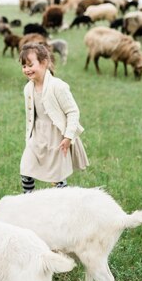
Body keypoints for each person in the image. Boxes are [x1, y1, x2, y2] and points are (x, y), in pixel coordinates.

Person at [19, 43, 89, 192]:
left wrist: (68, 136)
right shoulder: (28, 88)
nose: (26, 69)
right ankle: (28, 200)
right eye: (24, 66)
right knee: (26, 169)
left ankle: (64, 202)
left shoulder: (58, 86)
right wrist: (29, 137)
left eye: (30, 65)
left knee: (56, 177)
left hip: (56, 138)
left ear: (44, 62)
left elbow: (72, 112)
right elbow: (31, 116)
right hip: (37, 137)